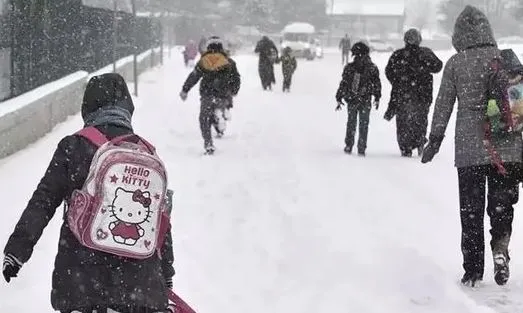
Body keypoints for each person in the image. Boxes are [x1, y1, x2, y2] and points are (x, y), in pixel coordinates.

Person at [2, 73, 175, 312]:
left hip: (82, 280)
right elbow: (160, 220)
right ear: (127, 108)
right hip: (140, 286)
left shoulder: (74, 147)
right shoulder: (147, 154)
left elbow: (43, 201)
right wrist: (165, 273)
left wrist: (17, 251)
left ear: (88, 107)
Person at [421, 5, 522, 287]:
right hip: (508, 148)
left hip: (470, 150)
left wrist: (435, 140)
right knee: (502, 206)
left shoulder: (456, 63)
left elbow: (443, 105)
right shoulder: (505, 59)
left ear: (459, 34)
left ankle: (473, 269)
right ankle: (500, 248)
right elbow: (519, 105)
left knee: (471, 211)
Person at [385, 28, 443, 157]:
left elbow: (389, 71)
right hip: (423, 95)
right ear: (419, 40)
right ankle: (419, 141)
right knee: (420, 120)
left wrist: (398, 82)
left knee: (403, 123)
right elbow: (438, 66)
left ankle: (406, 147)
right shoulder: (425, 53)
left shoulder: (398, 55)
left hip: (402, 95)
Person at [179, 36, 241, 154]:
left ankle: (208, 143)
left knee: (204, 119)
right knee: (220, 108)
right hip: (223, 95)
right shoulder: (229, 62)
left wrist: (185, 90)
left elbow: (194, 76)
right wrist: (234, 91)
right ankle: (222, 115)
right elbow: (236, 79)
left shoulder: (204, 61)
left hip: (207, 95)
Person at [335, 42, 381, 156]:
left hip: (352, 98)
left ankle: (349, 144)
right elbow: (377, 84)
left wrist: (339, 96)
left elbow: (344, 83)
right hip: (364, 99)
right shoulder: (372, 68)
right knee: (363, 124)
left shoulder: (350, 68)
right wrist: (377, 96)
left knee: (352, 122)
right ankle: (361, 146)